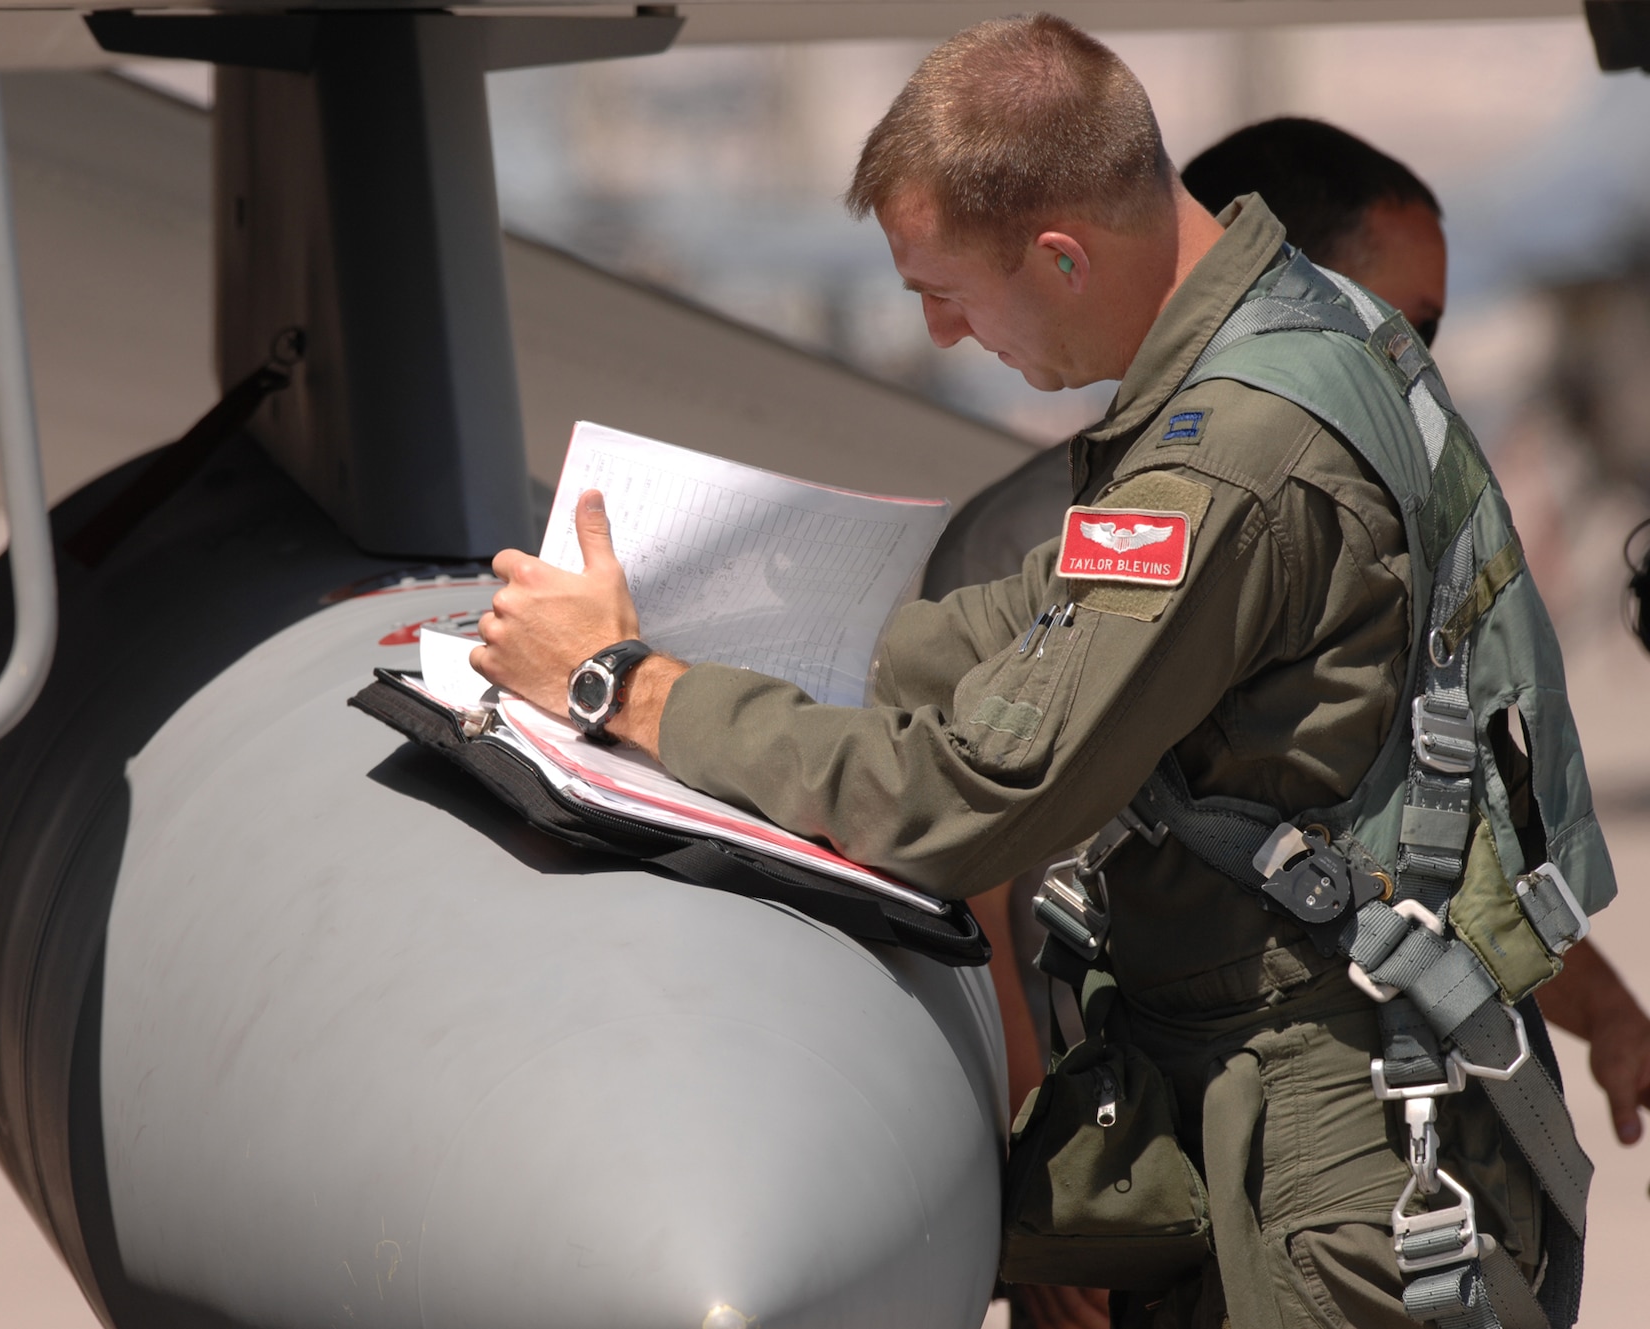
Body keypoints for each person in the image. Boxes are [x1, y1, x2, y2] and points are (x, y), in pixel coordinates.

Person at [471, 17, 1602, 1327]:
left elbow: (976, 796)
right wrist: (732, 635)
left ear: (1062, 256)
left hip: (1320, 1155)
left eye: (944, 290)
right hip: (1313, 1088)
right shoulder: (1295, 328)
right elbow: (1039, 615)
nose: (946, 335)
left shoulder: (1231, 452)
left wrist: (629, 690)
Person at [945, 115, 1650, 1165]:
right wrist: (1035, 1170)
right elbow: (972, 872)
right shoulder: (1049, 537)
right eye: (1399, 325)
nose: (1419, 369)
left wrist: (1603, 1014)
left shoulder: (1362, 529)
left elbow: (1410, 838)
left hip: (1326, 1130)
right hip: (1145, 1133)